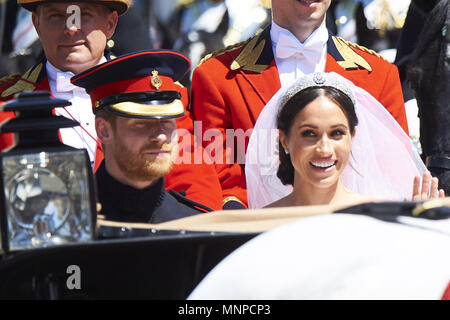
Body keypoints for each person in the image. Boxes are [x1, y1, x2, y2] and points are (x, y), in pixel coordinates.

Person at [0, 0, 223, 211]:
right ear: (37, 24)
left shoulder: (161, 95)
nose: (70, 28)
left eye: (84, 15)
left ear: (110, 24)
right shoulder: (6, 104)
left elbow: (197, 192)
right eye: (56, 16)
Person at [190, 0, 409, 208]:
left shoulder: (380, 76)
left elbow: (391, 175)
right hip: (259, 234)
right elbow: (222, 182)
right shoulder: (217, 77)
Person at [245, 72, 444, 209]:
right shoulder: (261, 224)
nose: (324, 149)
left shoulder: (379, 220)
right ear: (285, 140)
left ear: (352, 137)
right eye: (309, 134)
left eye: (337, 133)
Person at [71, 50, 208, 222]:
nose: (161, 136)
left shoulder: (192, 225)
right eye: (142, 123)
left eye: (167, 122)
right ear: (103, 130)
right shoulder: (71, 225)